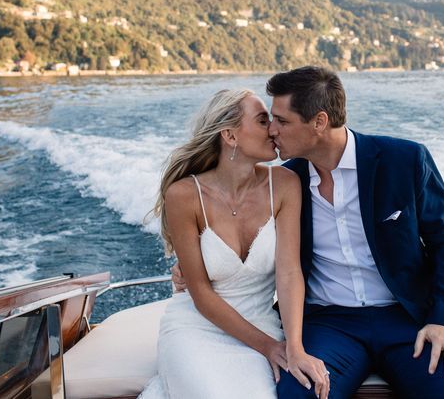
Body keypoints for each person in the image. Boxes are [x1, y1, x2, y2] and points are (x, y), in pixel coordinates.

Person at [174, 67, 444, 398]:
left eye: (282, 121)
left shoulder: (404, 160)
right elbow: (235, 225)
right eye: (268, 120)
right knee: (299, 393)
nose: (273, 131)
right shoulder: (286, 182)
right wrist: (193, 266)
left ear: (319, 123)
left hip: (406, 320)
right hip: (328, 324)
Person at [140, 89, 330, 399]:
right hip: (196, 328)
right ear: (230, 136)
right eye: (262, 120)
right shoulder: (184, 196)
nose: (273, 129)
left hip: (263, 323)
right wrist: (269, 348)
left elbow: (289, 273)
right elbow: (200, 293)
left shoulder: (284, 185)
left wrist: (292, 347)